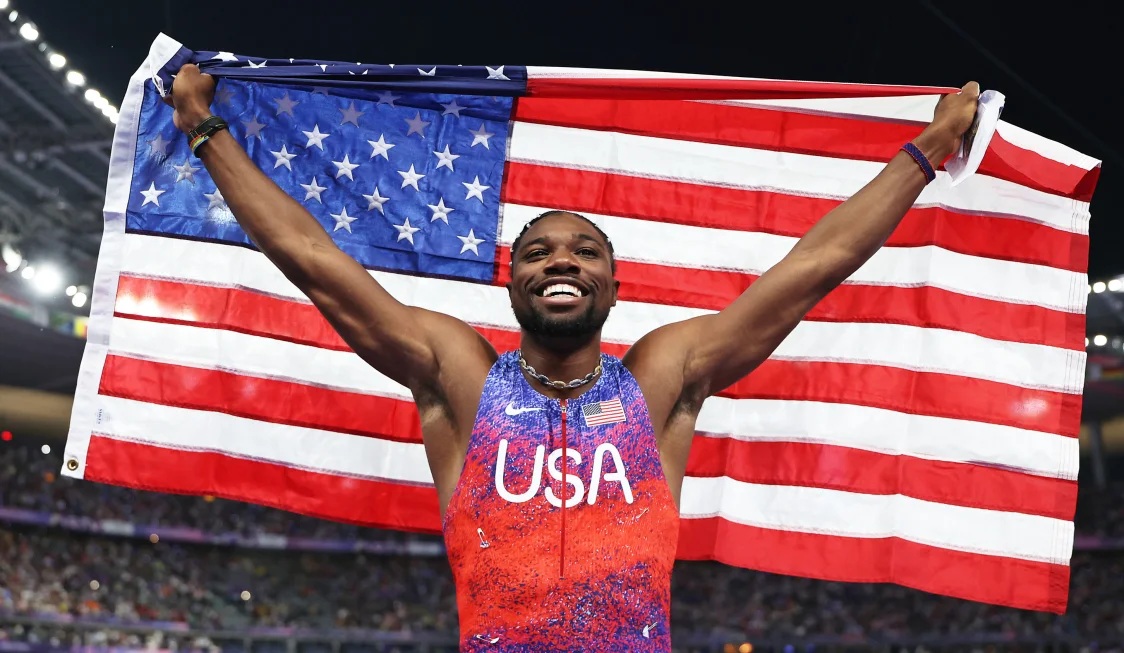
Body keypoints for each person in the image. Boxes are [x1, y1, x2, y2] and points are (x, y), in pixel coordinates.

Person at [165, 64, 980, 651]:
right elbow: (315, 260)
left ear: (614, 287)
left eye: (584, 251)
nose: (561, 260)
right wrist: (205, 131)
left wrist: (929, 149)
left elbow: (812, 268)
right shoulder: (459, 376)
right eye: (540, 251)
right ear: (513, 281)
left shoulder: (662, 377)